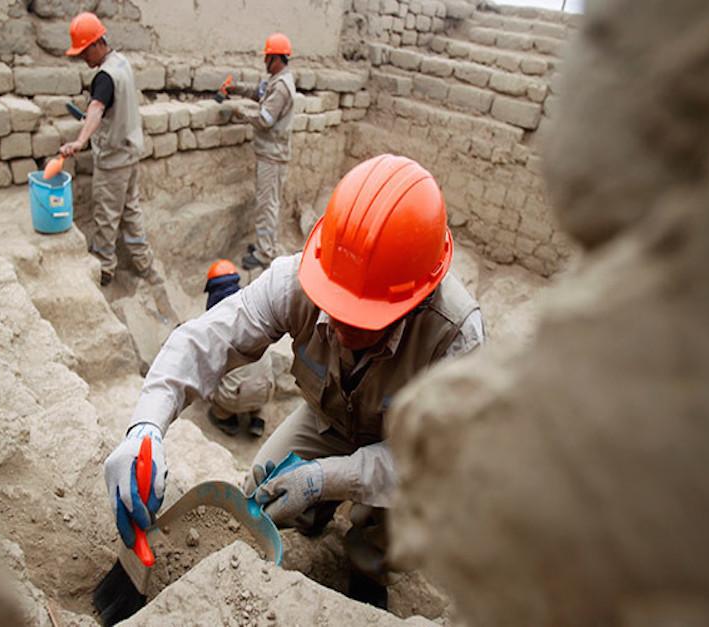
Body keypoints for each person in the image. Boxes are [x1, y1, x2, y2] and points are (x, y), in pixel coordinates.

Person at [104, 154, 485, 607]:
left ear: (415, 301)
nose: (340, 328)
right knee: (259, 496)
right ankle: (313, 518)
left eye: (362, 318)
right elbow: (204, 340)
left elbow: (435, 462)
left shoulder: (455, 337)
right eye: (335, 305)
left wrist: (326, 478)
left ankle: (367, 567)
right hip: (328, 419)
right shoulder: (299, 279)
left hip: (406, 449)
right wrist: (146, 427)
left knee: (401, 520)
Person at [59, 12, 160, 287]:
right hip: (130, 154)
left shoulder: (104, 77)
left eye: (84, 53)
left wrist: (80, 141)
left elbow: (96, 108)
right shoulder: (122, 63)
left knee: (106, 216)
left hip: (113, 160)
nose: (83, 59)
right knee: (131, 210)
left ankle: (104, 268)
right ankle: (143, 262)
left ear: (96, 44)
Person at [228, 33, 296, 271]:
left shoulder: (282, 87)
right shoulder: (276, 80)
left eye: (267, 57)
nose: (264, 61)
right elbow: (259, 92)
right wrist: (236, 89)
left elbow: (266, 119)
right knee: (266, 203)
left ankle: (265, 253)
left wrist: (241, 114)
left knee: (267, 205)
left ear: (277, 58)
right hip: (269, 153)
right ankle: (263, 245)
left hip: (273, 155)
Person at [203, 259, 275, 437]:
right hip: (266, 390)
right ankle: (257, 417)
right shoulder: (255, 312)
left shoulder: (216, 325)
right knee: (258, 378)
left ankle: (226, 418)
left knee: (208, 383)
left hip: (235, 395)